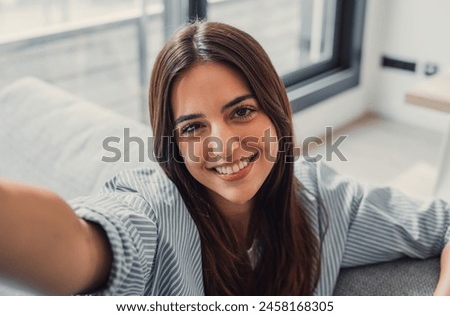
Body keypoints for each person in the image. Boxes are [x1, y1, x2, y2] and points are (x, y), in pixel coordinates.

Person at [0, 20, 450, 296]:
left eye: (241, 112)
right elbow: (77, 244)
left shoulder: (327, 200)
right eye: (193, 127)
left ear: (275, 112)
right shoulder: (151, 212)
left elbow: (442, 223)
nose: (223, 144)